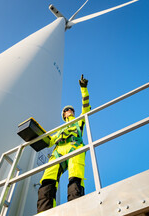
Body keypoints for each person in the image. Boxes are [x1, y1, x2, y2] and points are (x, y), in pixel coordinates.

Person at [37, 75, 91, 213]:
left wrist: (83, 89)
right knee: (48, 179)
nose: (70, 110)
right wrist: (34, 134)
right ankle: (45, 211)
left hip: (75, 149)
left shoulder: (79, 121)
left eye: (71, 109)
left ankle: (75, 208)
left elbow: (86, 108)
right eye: (67, 110)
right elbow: (49, 141)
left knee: (75, 178)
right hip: (58, 151)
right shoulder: (59, 130)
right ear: (63, 115)